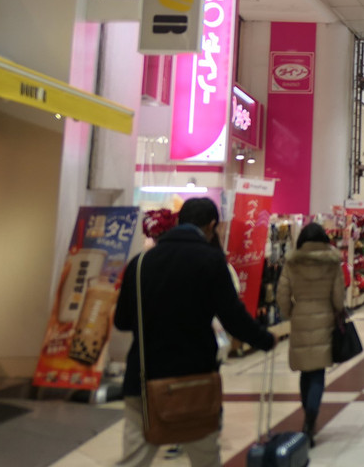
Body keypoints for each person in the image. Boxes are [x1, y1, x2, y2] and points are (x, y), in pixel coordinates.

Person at [114, 198, 275, 467]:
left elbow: (122, 321)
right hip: (194, 381)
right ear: (212, 226)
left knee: (135, 459)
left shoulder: (140, 264)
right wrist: (265, 339)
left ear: (178, 221)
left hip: (143, 378)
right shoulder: (211, 262)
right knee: (205, 458)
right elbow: (233, 318)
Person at [275, 222, 345, 448]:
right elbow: (338, 297)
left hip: (300, 317)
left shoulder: (292, 262)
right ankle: (310, 421)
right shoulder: (332, 262)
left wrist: (291, 313)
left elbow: (282, 294)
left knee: (305, 373)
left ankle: (307, 415)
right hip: (324, 316)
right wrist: (336, 311)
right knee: (317, 373)